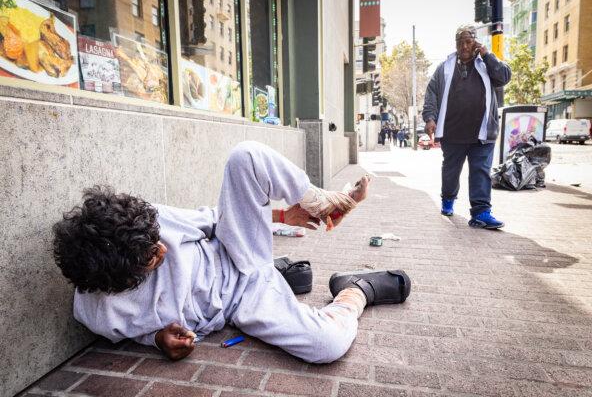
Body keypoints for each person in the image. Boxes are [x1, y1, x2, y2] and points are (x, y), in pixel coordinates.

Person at [52, 141, 410, 363]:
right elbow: (134, 331)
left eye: (155, 238)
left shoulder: (147, 221)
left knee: (246, 156)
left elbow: (216, 219)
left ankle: (320, 201)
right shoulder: (97, 313)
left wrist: (286, 216)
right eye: (151, 257)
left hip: (236, 251)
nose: (162, 248)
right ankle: (358, 289)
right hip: (242, 301)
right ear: (118, 282)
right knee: (326, 344)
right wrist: (158, 339)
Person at [422, 25, 511, 229]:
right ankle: (448, 199)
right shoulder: (445, 67)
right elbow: (432, 93)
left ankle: (481, 212)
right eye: (460, 42)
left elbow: (504, 77)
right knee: (451, 171)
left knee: (481, 171)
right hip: (453, 132)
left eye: (469, 41)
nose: (464, 45)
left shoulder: (487, 63)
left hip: (482, 132)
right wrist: (430, 117)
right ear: (455, 44)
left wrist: (488, 55)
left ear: (476, 43)